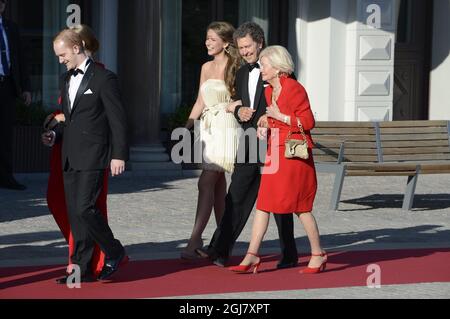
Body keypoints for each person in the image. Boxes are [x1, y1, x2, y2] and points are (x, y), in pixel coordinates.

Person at [197, 22, 299, 269]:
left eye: (247, 47)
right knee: (237, 195)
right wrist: (237, 108)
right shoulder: (242, 73)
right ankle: (219, 250)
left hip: (274, 143)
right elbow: (237, 102)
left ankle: (289, 253)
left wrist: (261, 116)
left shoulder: (279, 73)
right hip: (248, 142)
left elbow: (286, 106)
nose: (243, 52)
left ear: (260, 43)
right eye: (240, 47)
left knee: (278, 200)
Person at [228, 45, 327, 274]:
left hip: (293, 156)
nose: (261, 68)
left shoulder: (294, 88)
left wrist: (277, 116)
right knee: (263, 203)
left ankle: (317, 253)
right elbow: (275, 120)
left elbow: (308, 122)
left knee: (300, 207)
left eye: (264, 64)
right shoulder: (269, 91)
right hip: (275, 153)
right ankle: (252, 255)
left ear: (277, 67)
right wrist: (265, 124)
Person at [43, 29, 128, 283]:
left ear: (77, 48)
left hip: (94, 155)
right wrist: (54, 135)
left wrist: (119, 155)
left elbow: (118, 120)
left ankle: (114, 250)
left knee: (85, 208)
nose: (60, 60)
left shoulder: (104, 78)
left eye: (62, 54)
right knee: (75, 215)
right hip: (69, 156)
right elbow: (69, 120)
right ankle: (81, 268)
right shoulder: (65, 78)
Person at [181, 21, 242, 259]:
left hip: (227, 128)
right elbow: (200, 101)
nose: (207, 42)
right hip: (208, 128)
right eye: (206, 38)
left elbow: (243, 99)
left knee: (205, 183)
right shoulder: (205, 67)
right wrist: (187, 126)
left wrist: (232, 106)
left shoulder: (236, 66)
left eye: (213, 39)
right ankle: (223, 242)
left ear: (226, 43)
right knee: (217, 186)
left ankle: (194, 241)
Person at [0, 0, 31, 191]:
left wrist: (26, 88)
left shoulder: (11, 28)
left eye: (1, 2)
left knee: (5, 135)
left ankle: (6, 177)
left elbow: (20, 58)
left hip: (6, 86)